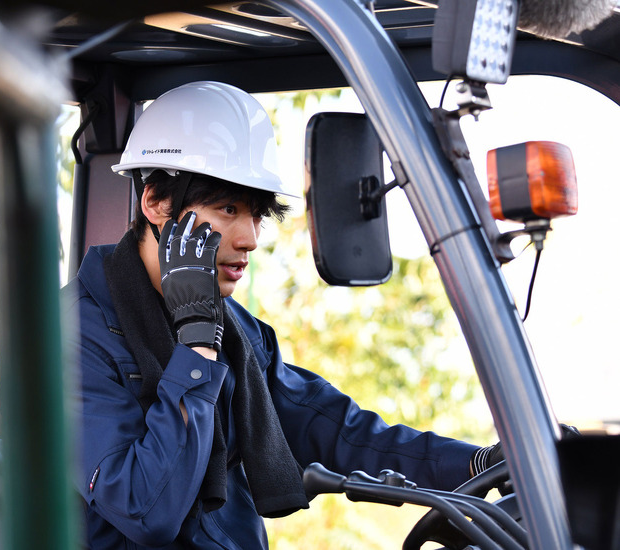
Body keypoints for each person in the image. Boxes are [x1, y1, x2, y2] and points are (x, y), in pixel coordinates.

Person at [61, 81, 496, 549]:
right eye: (228, 208)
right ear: (155, 203)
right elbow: (146, 510)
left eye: (257, 215)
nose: (249, 239)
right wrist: (197, 349)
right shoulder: (65, 340)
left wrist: (478, 464)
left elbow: (337, 429)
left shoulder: (235, 331)